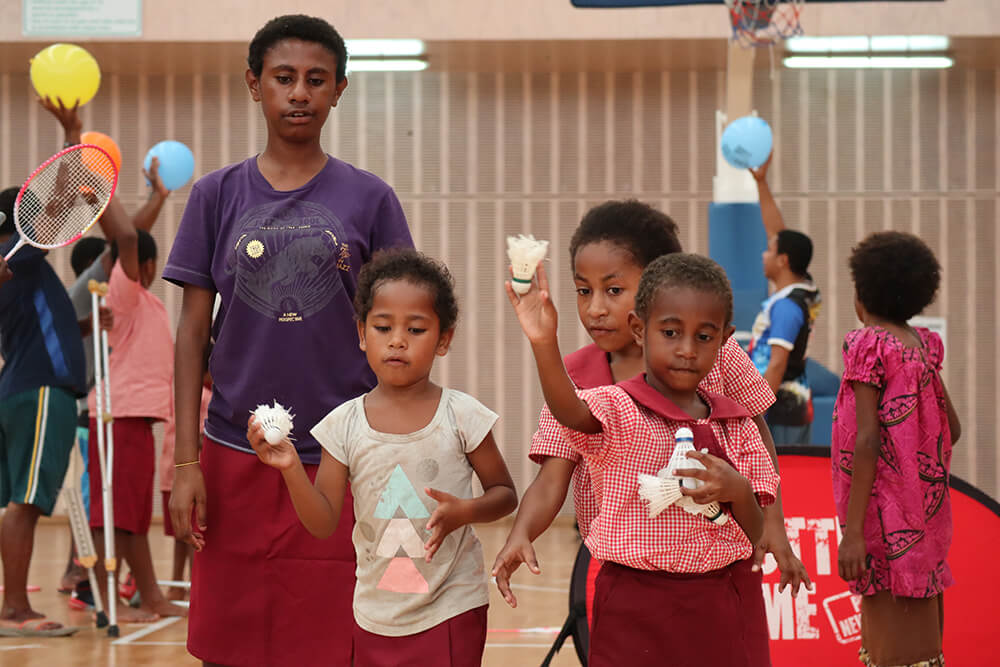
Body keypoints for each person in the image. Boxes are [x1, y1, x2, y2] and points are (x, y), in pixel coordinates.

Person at [163, 14, 413, 666]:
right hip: (232, 451)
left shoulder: (371, 198)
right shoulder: (215, 195)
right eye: (283, 78)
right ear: (255, 85)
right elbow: (191, 333)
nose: (299, 92)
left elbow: (403, 329)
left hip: (341, 458)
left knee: (334, 642)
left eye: (316, 79)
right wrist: (185, 464)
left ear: (339, 90)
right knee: (228, 642)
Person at [492, 200, 809, 611]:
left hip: (718, 570)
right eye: (584, 291)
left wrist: (774, 524)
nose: (595, 308)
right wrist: (521, 532)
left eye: (614, 290)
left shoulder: (714, 354)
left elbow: (756, 435)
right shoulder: (572, 379)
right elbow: (551, 479)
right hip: (629, 576)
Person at [507, 253, 778, 666]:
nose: (686, 349)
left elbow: (757, 530)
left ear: (724, 339)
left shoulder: (736, 424)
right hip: (631, 602)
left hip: (716, 604)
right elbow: (570, 411)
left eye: (704, 337)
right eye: (670, 332)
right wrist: (544, 344)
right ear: (639, 329)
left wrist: (738, 490)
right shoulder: (616, 408)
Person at [249, 248, 517, 665]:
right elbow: (322, 522)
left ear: (444, 339)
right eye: (382, 326)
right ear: (361, 334)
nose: (397, 340)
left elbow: (505, 494)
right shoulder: (342, 425)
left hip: (452, 605)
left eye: (416, 329)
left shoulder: (462, 415)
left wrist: (465, 511)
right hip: (375, 613)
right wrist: (291, 468)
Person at [0, 97, 137, 636]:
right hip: (40, 392)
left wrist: (81, 328)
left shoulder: (19, 272)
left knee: (20, 502)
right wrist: (73, 136)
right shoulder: (17, 254)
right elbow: (53, 209)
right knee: (27, 504)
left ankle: (13, 604)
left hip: (24, 386)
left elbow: (35, 329)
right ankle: (15, 610)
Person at [833, 231, 960, 667]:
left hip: (882, 525)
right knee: (919, 648)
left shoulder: (869, 345)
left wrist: (853, 533)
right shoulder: (921, 347)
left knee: (892, 653)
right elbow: (952, 428)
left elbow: (867, 439)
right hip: (923, 523)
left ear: (861, 296)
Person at [749, 154, 821, 444]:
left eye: (769, 250)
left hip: (780, 413)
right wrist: (761, 183)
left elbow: (777, 364)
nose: (763, 254)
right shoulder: (803, 288)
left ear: (783, 260)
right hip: (788, 407)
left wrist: (754, 417)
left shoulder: (787, 308)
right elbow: (778, 233)